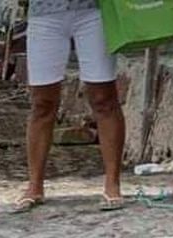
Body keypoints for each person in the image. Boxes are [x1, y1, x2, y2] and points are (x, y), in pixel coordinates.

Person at [14, 0, 126, 212]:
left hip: (94, 10)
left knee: (104, 97)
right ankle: (34, 186)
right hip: (44, 13)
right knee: (42, 103)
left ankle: (113, 183)